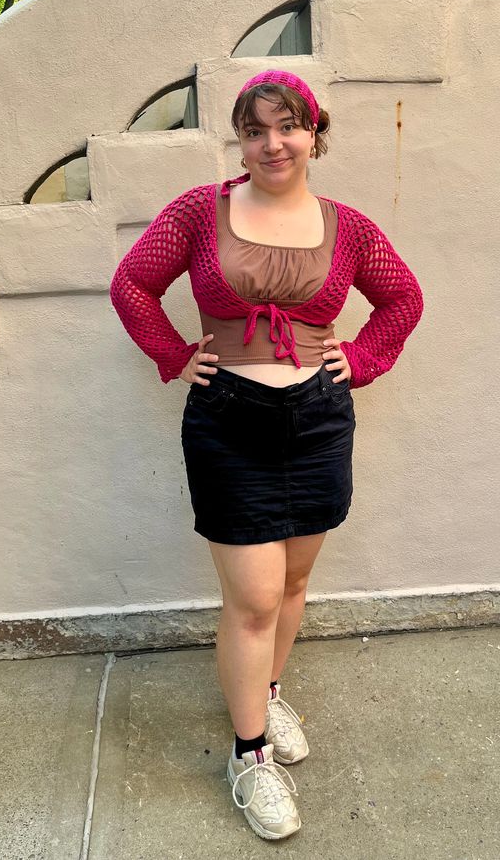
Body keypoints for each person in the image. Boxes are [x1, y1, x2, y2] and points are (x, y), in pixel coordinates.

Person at [109, 69, 424, 840]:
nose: (271, 143)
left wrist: (367, 356)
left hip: (317, 419)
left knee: (294, 581)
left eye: (287, 126)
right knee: (251, 598)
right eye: (254, 130)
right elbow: (132, 284)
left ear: (314, 133)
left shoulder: (346, 227)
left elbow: (403, 297)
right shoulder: (198, 211)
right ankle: (249, 756)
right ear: (241, 140)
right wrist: (175, 353)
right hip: (228, 420)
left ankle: (269, 690)